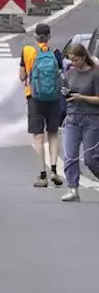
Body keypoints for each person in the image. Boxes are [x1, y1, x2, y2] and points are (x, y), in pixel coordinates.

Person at [21, 23, 66, 188]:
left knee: (38, 137)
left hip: (34, 98)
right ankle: (54, 169)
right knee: (53, 133)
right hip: (53, 99)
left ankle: (42, 174)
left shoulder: (28, 51)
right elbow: (61, 75)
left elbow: (21, 76)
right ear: (49, 36)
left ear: (35, 36)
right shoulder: (55, 53)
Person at [60, 43, 99, 201]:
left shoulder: (95, 74)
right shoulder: (70, 73)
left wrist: (81, 97)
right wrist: (66, 94)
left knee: (91, 158)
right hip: (72, 117)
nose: (73, 62)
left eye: (76, 59)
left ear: (84, 57)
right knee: (70, 155)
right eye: (71, 59)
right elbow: (67, 93)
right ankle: (72, 188)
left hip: (92, 119)